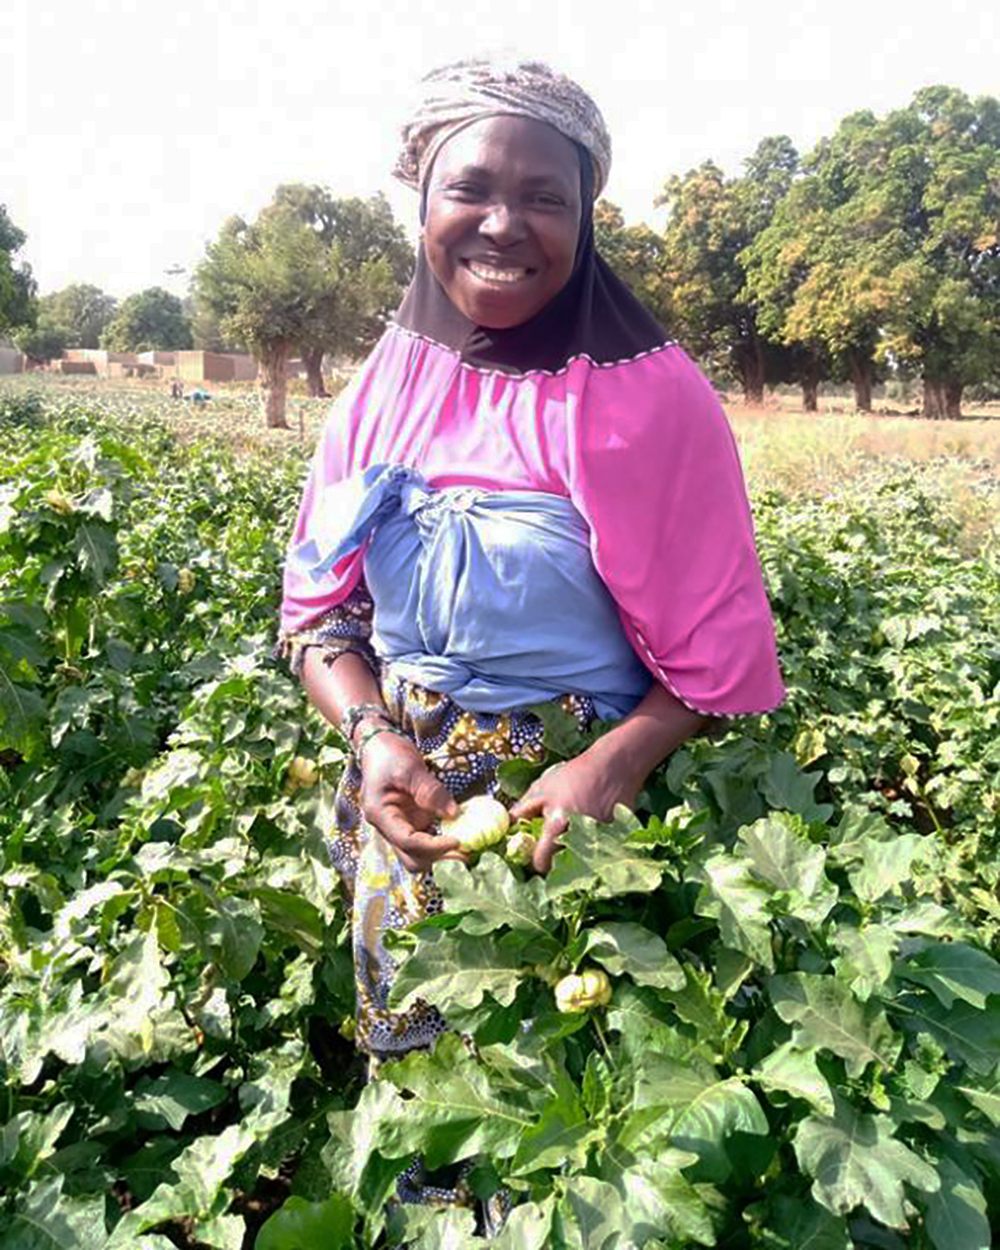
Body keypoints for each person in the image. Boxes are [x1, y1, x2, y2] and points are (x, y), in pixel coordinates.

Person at [278, 57, 784, 1218]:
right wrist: (368, 733)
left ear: (585, 216)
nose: (502, 224)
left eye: (544, 197)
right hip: (400, 819)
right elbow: (318, 615)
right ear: (422, 204)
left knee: (556, 1137)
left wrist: (606, 766)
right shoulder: (384, 388)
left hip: (570, 838)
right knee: (427, 1105)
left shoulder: (651, 401)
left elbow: (712, 664)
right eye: (471, 189)